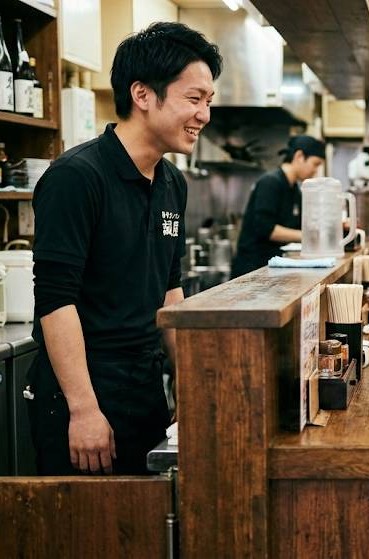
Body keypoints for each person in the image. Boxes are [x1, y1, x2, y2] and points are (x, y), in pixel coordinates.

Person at [28, 22, 222, 475]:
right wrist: (84, 410)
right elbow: (56, 301)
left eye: (208, 101)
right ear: (142, 94)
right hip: (83, 390)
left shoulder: (173, 181)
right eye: (194, 99)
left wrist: (186, 387)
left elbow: (170, 295)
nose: (204, 115)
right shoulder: (76, 176)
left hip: (145, 384)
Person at [231, 135, 326, 277]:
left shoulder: (294, 189)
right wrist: (308, 236)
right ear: (299, 156)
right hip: (253, 271)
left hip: (273, 269)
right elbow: (266, 229)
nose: (315, 171)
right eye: (315, 164)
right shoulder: (270, 183)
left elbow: (300, 224)